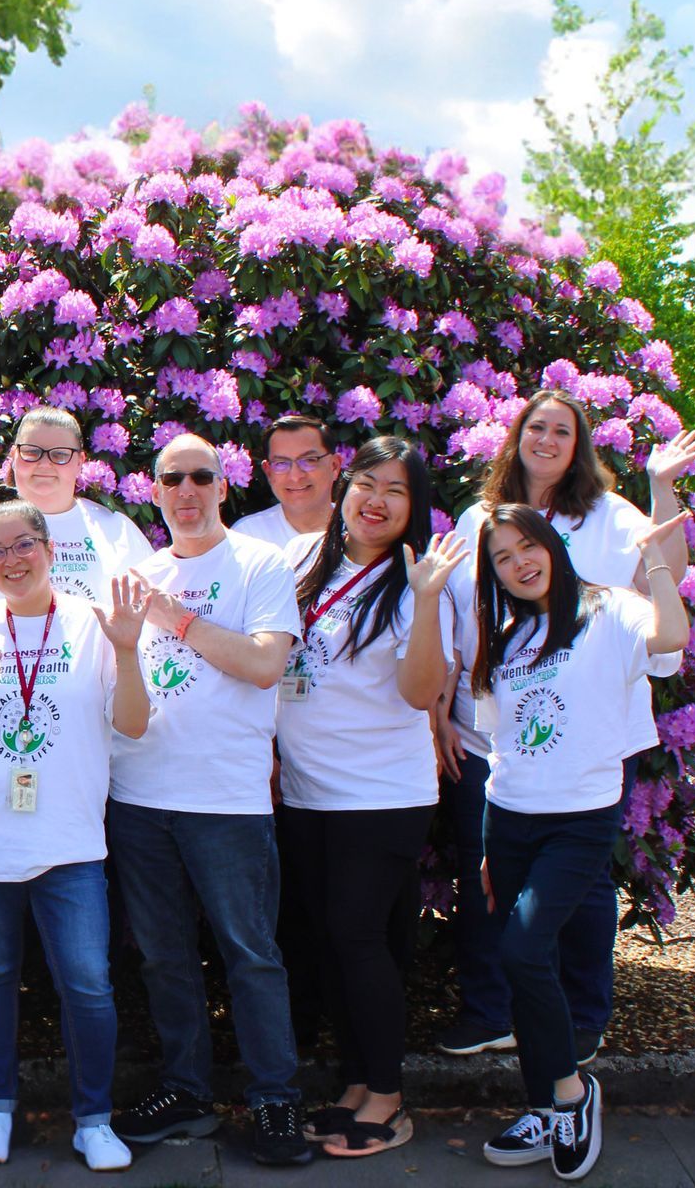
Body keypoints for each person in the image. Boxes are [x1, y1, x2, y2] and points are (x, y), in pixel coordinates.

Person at [435, 390, 695, 1060]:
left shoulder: (609, 515)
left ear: (578, 444)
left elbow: (662, 565)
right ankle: (490, 1011)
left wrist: (660, 486)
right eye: (537, 427)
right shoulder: (478, 519)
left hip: (592, 737)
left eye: (563, 430)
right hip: (496, 731)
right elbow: (459, 617)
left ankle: (583, 1016)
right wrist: (442, 704)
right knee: (488, 873)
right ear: (515, 437)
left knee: (581, 885)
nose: (548, 440)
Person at [106, 434, 311, 1166]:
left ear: (224, 487)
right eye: (171, 479)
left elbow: (263, 665)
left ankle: (276, 1103)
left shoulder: (260, 564)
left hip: (227, 801)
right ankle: (187, 1091)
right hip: (139, 795)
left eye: (200, 477)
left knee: (250, 956)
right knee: (163, 957)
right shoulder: (136, 573)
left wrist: (176, 619)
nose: (186, 490)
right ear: (154, 491)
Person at [0, 498, 152, 1172]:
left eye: (22, 544)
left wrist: (128, 651)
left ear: (50, 549)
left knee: (87, 984)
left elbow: (135, 726)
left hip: (70, 841)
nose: (10, 560)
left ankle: (94, 1119)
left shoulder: (95, 626)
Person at [469, 505, 686, 1181]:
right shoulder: (503, 636)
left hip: (579, 820)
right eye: (502, 558)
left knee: (524, 948)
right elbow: (499, 748)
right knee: (522, 967)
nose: (518, 564)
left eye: (526, 547)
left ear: (551, 545)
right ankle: (542, 1102)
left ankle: (570, 1094)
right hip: (507, 821)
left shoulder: (611, 609)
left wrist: (654, 559)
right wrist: (485, 843)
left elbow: (671, 637)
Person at [275, 435, 466, 1157]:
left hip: (381, 794)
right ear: (343, 488)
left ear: (412, 508)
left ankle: (387, 1096)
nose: (377, 500)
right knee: (330, 939)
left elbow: (421, 693)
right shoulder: (306, 565)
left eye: (397, 490)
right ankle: (356, 1083)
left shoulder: (422, 578)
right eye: (366, 484)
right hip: (307, 789)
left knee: (359, 936)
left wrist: (423, 604)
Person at [0, 405, 152, 627]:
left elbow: (151, 618)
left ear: (80, 461)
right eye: (32, 452)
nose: (44, 464)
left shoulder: (116, 529)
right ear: (13, 458)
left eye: (60, 454)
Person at [233, 414, 341, 552]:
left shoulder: (360, 532)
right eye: (281, 463)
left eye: (309, 460)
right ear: (268, 472)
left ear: (334, 466)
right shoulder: (247, 537)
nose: (295, 476)